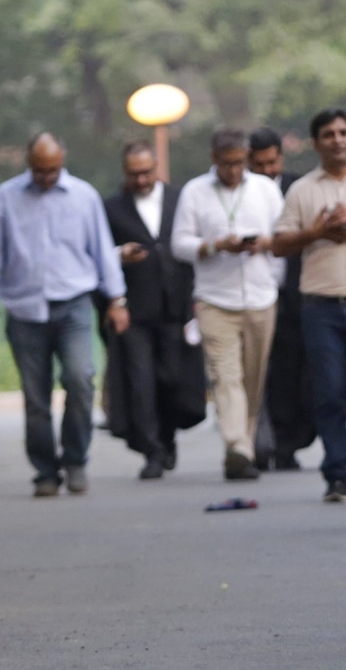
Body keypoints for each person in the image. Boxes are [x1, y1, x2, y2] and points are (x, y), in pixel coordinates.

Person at [272, 109, 346, 502]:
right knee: (330, 393)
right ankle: (337, 472)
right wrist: (317, 232)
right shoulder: (303, 189)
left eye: (344, 132)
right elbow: (279, 243)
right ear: (316, 142)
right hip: (319, 305)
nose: (337, 139)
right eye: (328, 134)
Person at [0, 134, 128, 496]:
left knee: (81, 378)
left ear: (63, 161)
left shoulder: (83, 196)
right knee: (36, 396)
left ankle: (75, 460)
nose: (46, 177)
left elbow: (102, 249)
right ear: (28, 164)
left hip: (73, 303)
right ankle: (44, 471)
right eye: (39, 171)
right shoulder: (7, 197)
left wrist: (117, 299)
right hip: (25, 308)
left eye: (52, 170)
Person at [172, 130, 284, 480]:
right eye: (226, 164)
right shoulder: (194, 191)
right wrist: (214, 246)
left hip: (260, 297)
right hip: (214, 300)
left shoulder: (265, 190)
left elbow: (281, 239)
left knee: (252, 379)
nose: (233, 171)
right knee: (225, 377)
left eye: (239, 163)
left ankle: (243, 448)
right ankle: (237, 446)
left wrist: (271, 273)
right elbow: (179, 244)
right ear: (214, 160)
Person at [102, 141, 206, 479]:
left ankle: (167, 436)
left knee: (172, 379)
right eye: (134, 174)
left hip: (175, 307)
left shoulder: (181, 200)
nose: (142, 179)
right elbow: (100, 254)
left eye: (147, 172)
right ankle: (151, 451)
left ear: (157, 167)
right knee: (140, 381)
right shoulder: (112, 208)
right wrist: (120, 255)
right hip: (134, 311)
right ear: (124, 172)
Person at [247, 128, 315, 471]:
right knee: (262, 370)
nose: (266, 171)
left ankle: (288, 443)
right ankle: (259, 443)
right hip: (254, 294)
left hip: (295, 294)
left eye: (271, 162)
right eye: (258, 164)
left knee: (293, 371)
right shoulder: (240, 193)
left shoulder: (297, 188)